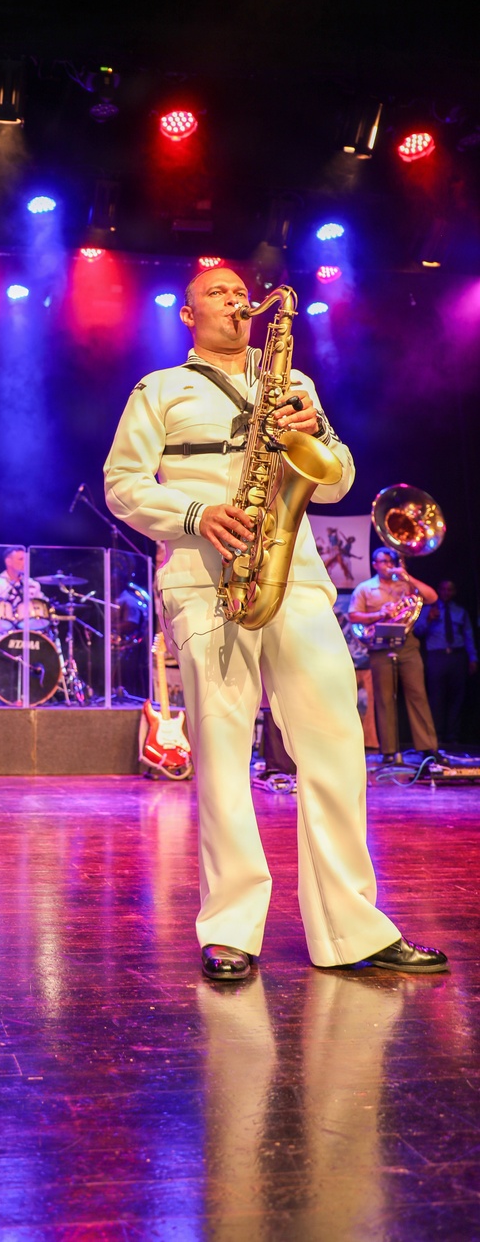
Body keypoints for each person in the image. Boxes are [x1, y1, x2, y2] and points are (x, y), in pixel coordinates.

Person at [104, 265, 447, 980]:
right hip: (206, 576)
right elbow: (122, 485)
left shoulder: (295, 382)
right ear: (188, 317)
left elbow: (339, 477)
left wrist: (310, 429)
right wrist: (196, 513)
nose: (235, 300)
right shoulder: (160, 388)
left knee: (337, 747)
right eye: (218, 295)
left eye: (240, 292)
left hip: (296, 575)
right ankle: (230, 927)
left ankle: (353, 929)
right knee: (224, 755)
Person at [349, 549, 439, 763]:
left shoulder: (405, 584)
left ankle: (427, 748)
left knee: (418, 694)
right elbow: (353, 616)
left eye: (392, 561)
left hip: (407, 645)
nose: (389, 565)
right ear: (375, 564)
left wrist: (407, 576)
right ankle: (389, 751)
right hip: (380, 646)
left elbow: (432, 597)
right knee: (384, 698)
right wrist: (380, 614)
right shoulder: (365, 588)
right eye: (384, 561)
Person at [414, 578, 477, 755]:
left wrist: (473, 658)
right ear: (438, 591)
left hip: (457, 656)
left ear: (454, 592)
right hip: (437, 657)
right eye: (443, 589)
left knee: (456, 697)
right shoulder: (427, 610)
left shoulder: (460, 612)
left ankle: (453, 736)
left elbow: (468, 635)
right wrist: (428, 619)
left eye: (450, 590)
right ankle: (437, 736)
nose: (446, 593)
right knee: (436, 697)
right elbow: (418, 632)